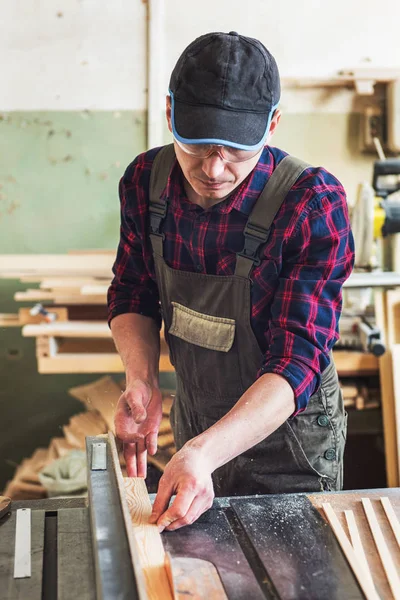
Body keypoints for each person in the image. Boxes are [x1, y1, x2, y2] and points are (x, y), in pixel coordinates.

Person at [107, 31, 354, 533]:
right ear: (171, 113)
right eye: (196, 145)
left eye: (236, 150)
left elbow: (298, 357)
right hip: (198, 425)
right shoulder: (144, 182)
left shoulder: (311, 202)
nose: (214, 169)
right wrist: (142, 379)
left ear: (273, 123)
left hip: (290, 447)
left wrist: (204, 451)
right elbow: (133, 290)